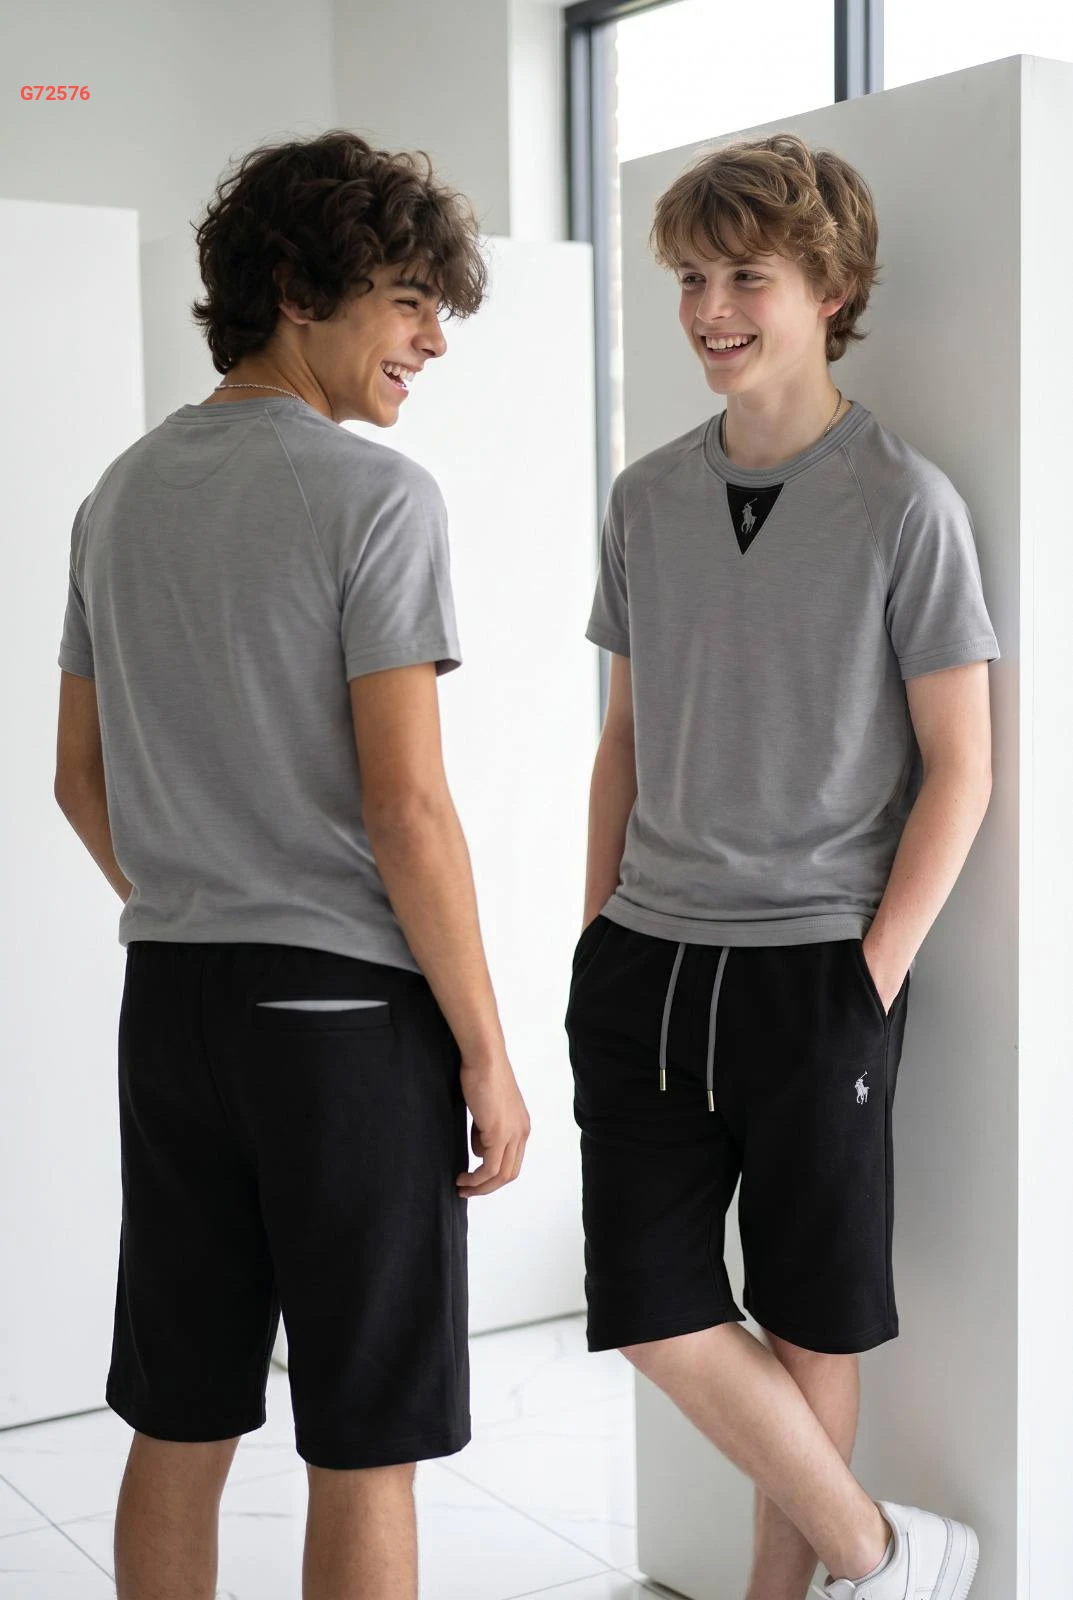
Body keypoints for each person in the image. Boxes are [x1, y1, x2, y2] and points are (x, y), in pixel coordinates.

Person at [53, 129, 530, 1600]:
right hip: (342, 1025)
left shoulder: (118, 496)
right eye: (406, 300)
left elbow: (78, 780)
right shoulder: (378, 498)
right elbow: (409, 810)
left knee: (180, 1413)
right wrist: (487, 1052)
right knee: (365, 1439)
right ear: (293, 287)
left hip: (173, 1004)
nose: (431, 340)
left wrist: (205, 897)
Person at [566, 132, 998, 1600]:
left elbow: (962, 768)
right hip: (646, 962)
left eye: (745, 276)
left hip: (816, 968)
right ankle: (881, 1556)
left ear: (832, 288)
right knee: (650, 1308)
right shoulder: (644, 497)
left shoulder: (906, 503)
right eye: (691, 278)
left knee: (811, 1323)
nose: (709, 309)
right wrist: (594, 936)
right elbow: (624, 740)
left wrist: (867, 980)